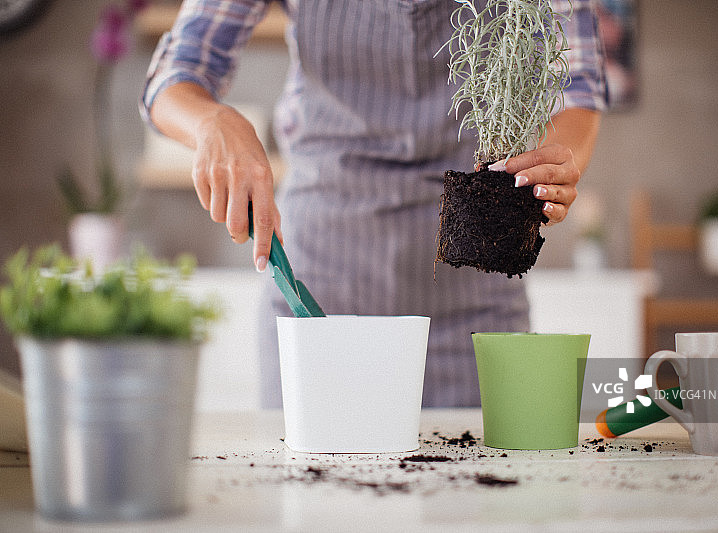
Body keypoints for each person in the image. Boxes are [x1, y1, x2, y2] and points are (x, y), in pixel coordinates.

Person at [140, 0, 607, 407]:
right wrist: (211, 121)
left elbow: (579, 89)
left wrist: (555, 161)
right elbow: (174, 74)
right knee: (313, 498)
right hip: (319, 287)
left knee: (476, 500)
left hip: (474, 295)